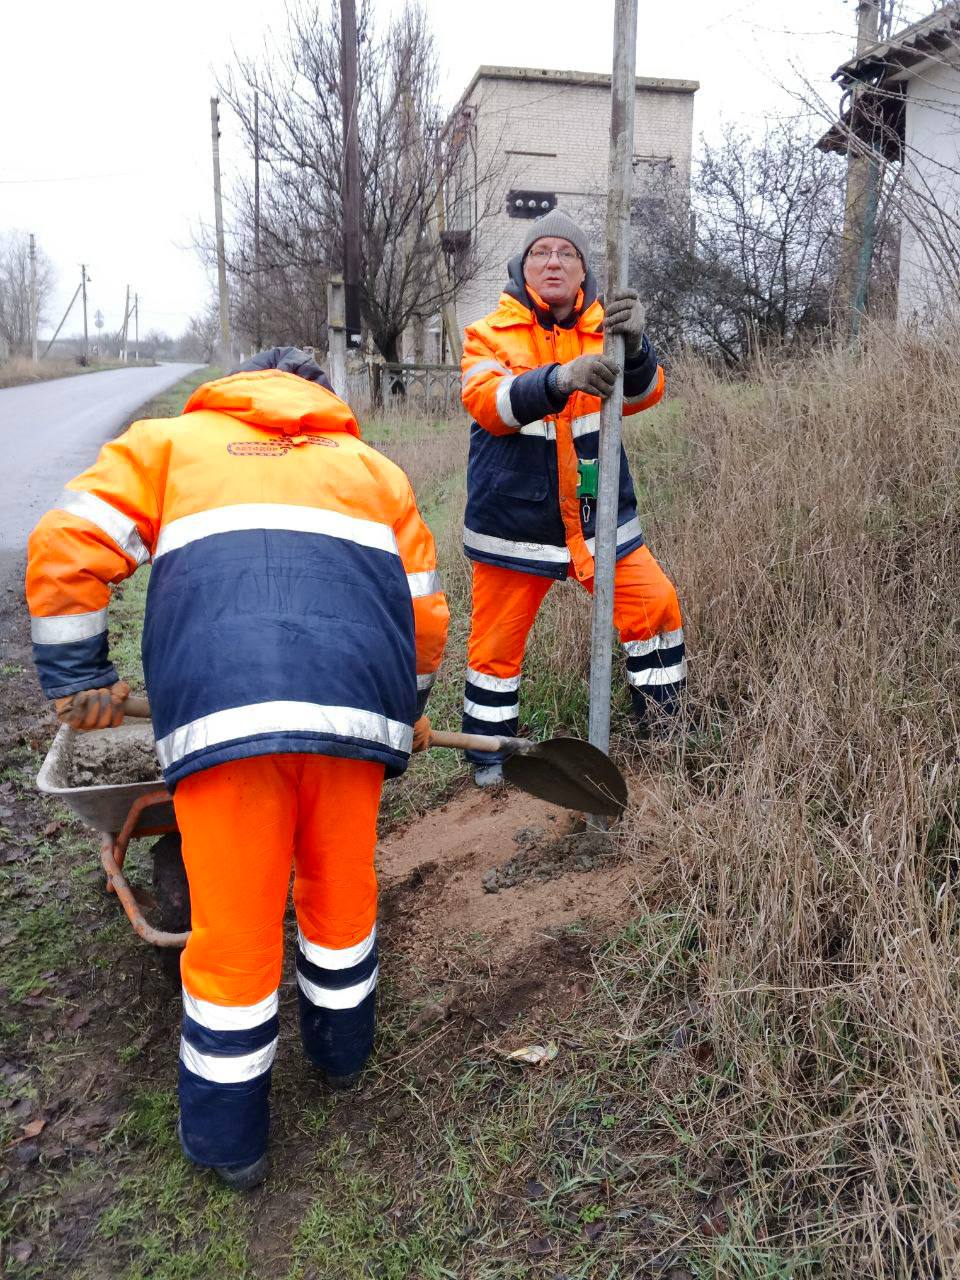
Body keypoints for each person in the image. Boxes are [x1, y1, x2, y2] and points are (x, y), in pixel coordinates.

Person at [25, 347, 448, 1188]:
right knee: (340, 894)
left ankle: (230, 1143)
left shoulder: (170, 445)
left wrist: (80, 682)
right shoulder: (375, 470)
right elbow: (423, 615)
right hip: (351, 718)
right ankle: (341, 1059)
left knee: (236, 931)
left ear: (237, 388)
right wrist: (404, 709)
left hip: (224, 718)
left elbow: (66, 543)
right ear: (321, 399)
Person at [459, 210, 685, 785]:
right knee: (494, 652)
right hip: (514, 523)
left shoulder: (604, 327)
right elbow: (491, 404)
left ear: (583, 269)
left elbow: (644, 394)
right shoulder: (488, 334)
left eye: (567, 253)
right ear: (523, 266)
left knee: (655, 608)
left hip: (596, 520)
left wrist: (634, 347)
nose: (553, 261)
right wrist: (559, 379)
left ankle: (662, 734)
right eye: (542, 252)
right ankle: (490, 761)